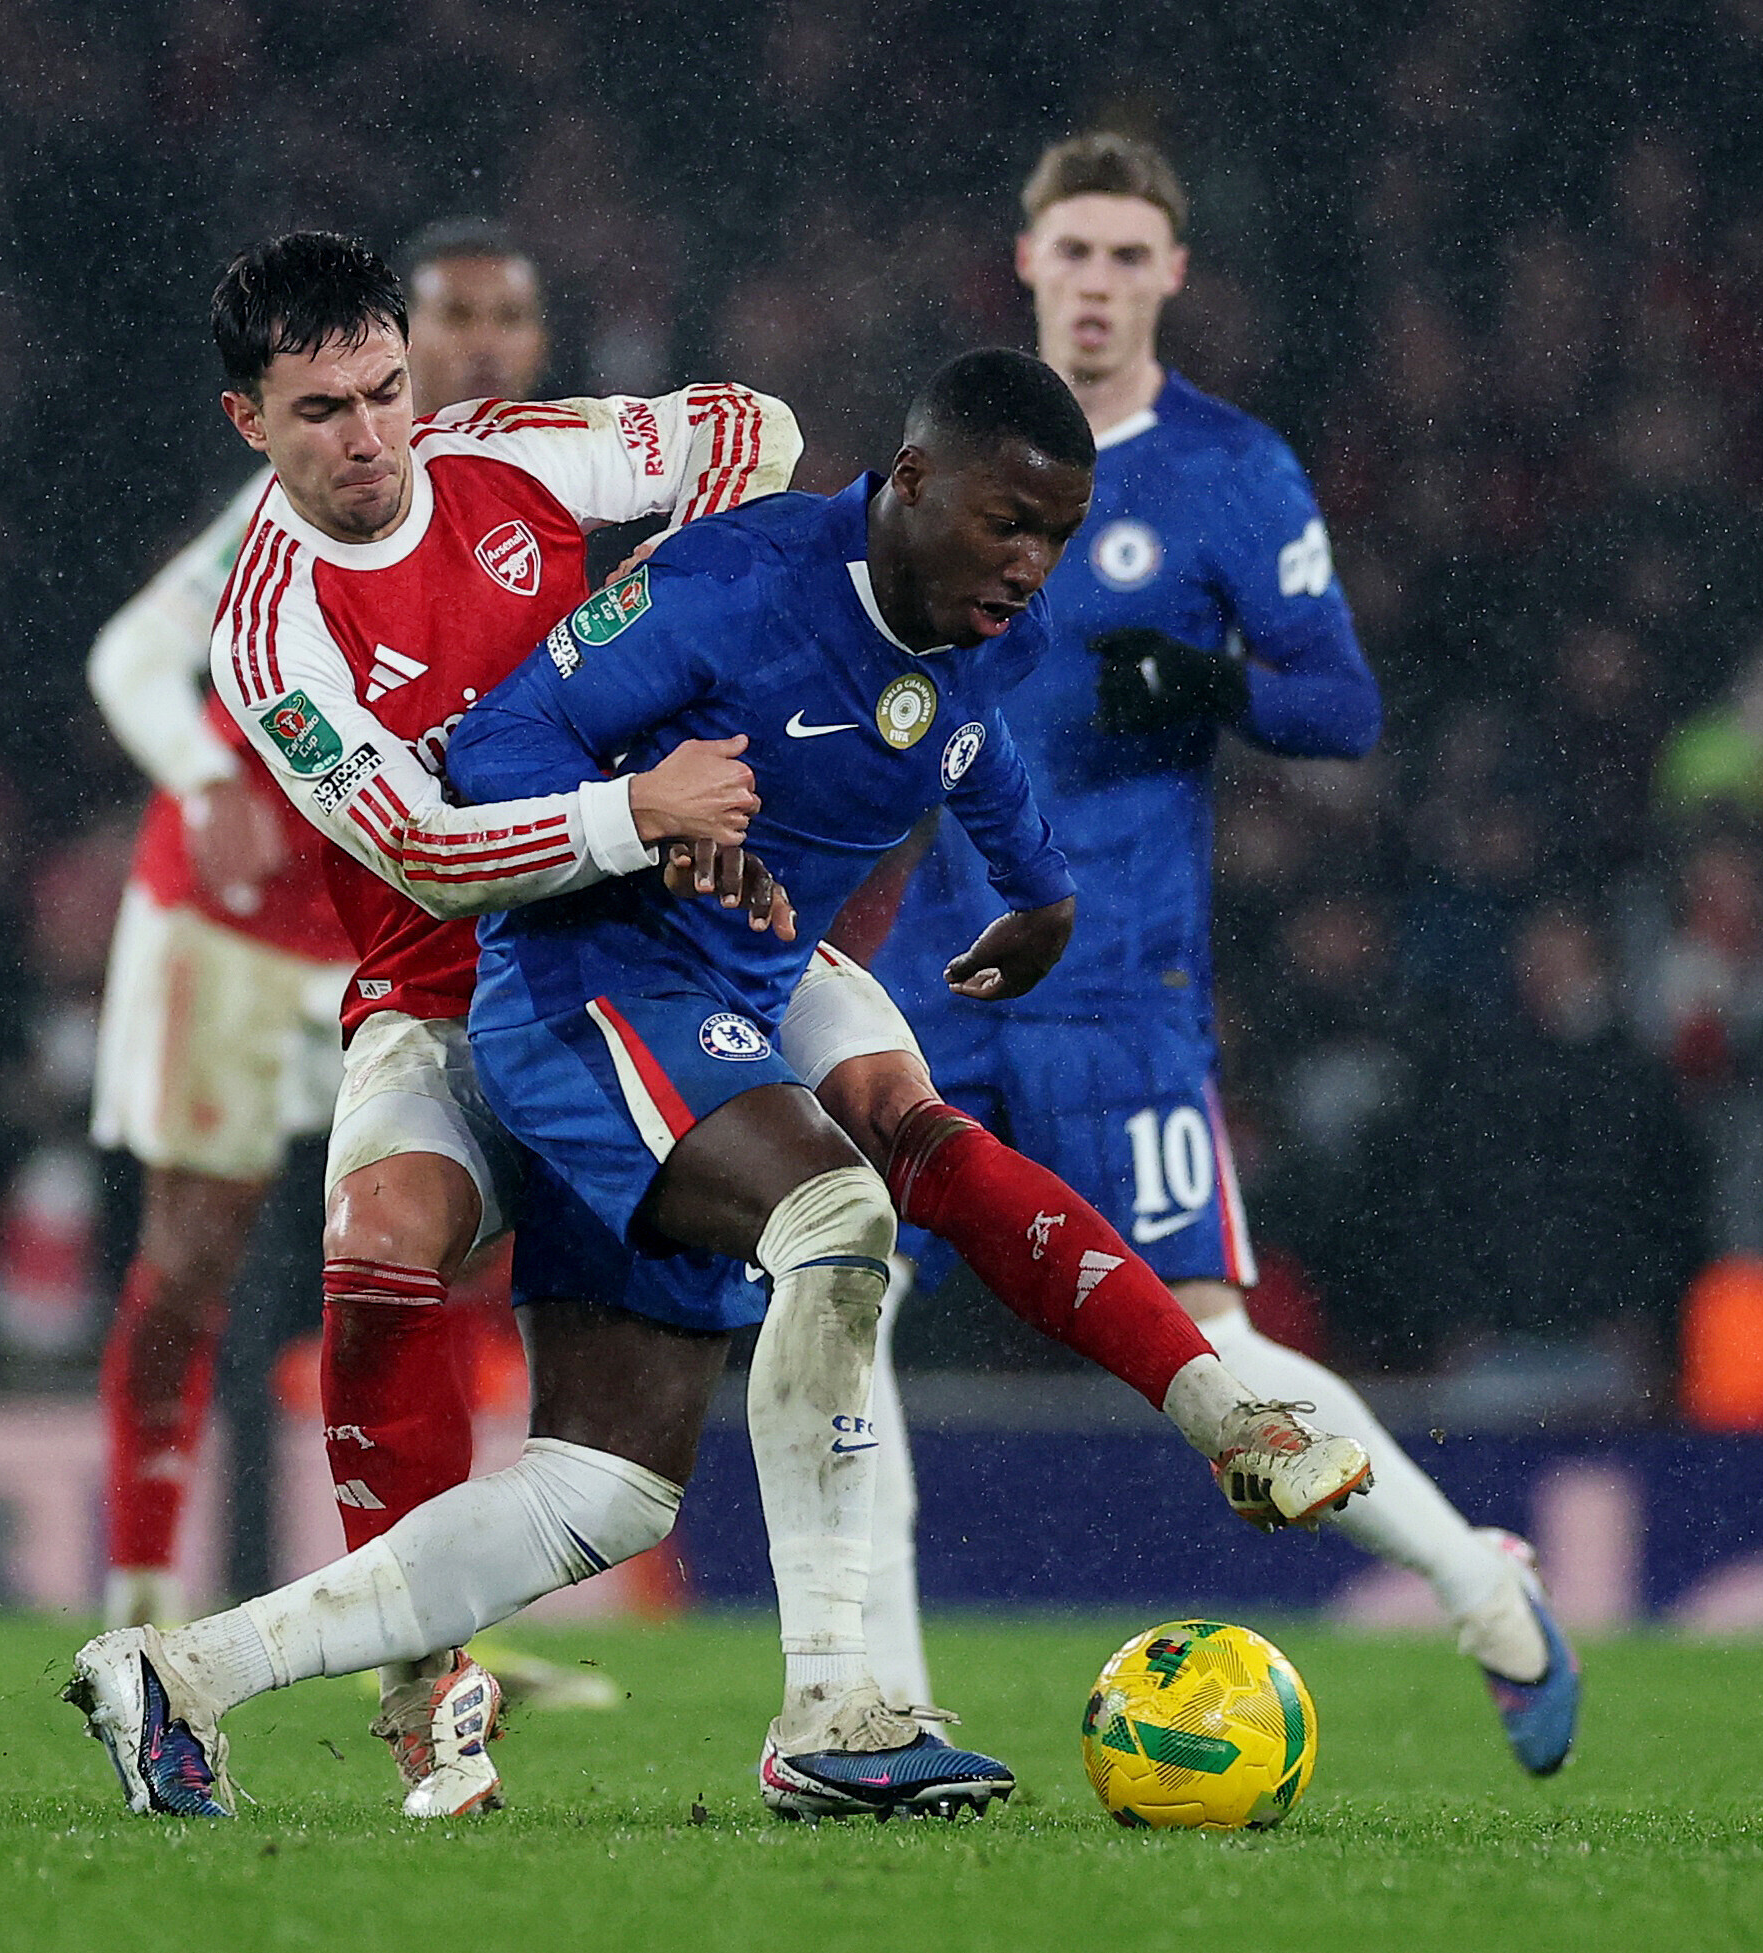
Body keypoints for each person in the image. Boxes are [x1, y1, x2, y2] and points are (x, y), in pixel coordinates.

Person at [67, 349, 1377, 1823]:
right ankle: (837, 1703)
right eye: (1009, 524)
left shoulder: (977, 621)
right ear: (912, 482)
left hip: (747, 979)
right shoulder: (726, 583)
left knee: (611, 1485)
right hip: (594, 980)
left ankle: (181, 1671)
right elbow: (497, 743)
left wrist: (1043, 890)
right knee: (838, 1209)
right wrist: (645, 807)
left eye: (1057, 535)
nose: (1032, 563)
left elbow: (963, 737)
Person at [863, 134, 1579, 1774]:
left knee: (1211, 1339)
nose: (1097, 284)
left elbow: (1345, 706)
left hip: (1123, 987)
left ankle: (1480, 1583)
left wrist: (1211, 685)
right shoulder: (942, 449)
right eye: (1074, 251)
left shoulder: (1231, 472)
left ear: (1173, 274)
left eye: (1130, 256)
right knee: (834, 1298)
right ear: (1025, 259)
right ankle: (874, 1698)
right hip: (933, 970)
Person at [69, 229, 800, 1820]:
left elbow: (753, 428)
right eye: (321, 409)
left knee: (846, 1205)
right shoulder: (271, 630)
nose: (371, 437)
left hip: (643, 971)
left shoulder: (512, 454)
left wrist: (681, 628)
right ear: (247, 422)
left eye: (386, 391)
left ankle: (851, 1685)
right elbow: (422, 852)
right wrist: (637, 804)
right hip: (441, 996)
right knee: (379, 1237)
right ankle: (421, 1690)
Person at [84, 221, 560, 1636]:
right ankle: (144, 1599)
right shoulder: (295, 499)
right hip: (239, 928)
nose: (482, 347)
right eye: (454, 317)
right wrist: (207, 777)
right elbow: (131, 652)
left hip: (414, 933)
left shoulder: (534, 486)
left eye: (507, 320)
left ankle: (427, 1613)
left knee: (447, 1263)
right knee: (194, 1261)